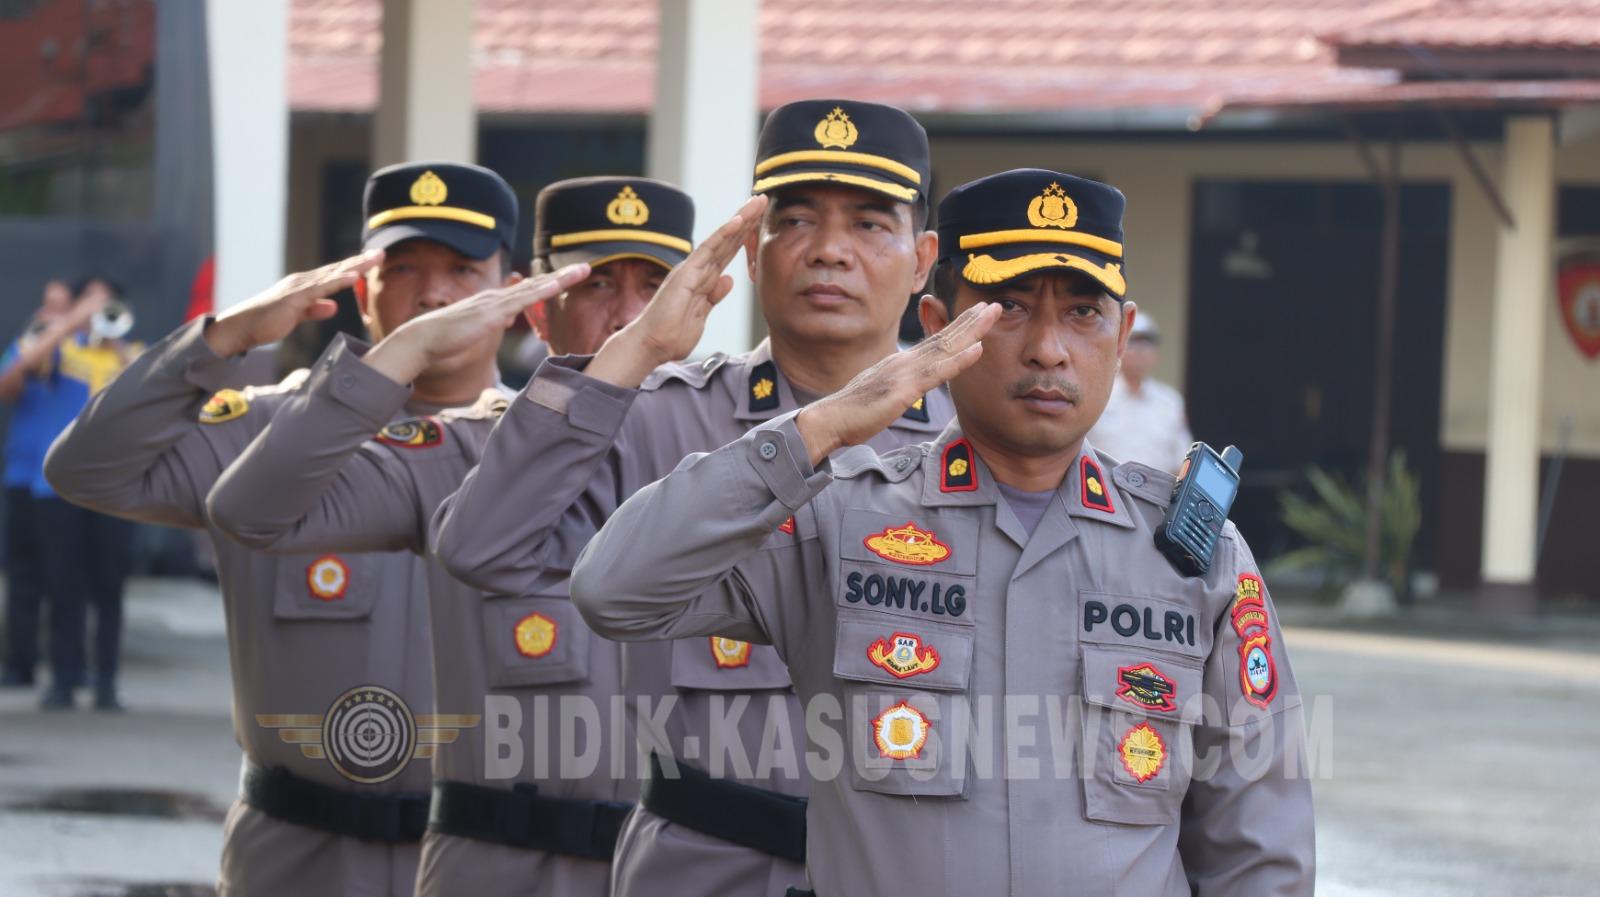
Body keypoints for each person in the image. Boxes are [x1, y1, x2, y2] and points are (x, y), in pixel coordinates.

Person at [568, 169, 1316, 897]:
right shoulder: (842, 515)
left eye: (1083, 312)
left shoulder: (1195, 556)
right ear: (934, 326)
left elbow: (1259, 847)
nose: (1048, 348)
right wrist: (819, 426)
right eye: (1009, 307)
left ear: (1122, 335)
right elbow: (614, 590)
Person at [429, 100, 952, 897]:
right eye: (797, 220)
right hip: (700, 867)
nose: (829, 251)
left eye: (870, 224)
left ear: (922, 261)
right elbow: (479, 546)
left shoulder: (973, 441)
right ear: (753, 250)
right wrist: (635, 347)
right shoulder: (655, 414)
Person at [204, 179, 701, 897]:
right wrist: (381, 355)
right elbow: (243, 509)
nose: (631, 319)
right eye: (597, 286)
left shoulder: (740, 466)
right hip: (473, 864)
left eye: (657, 288)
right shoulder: (469, 447)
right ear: (537, 308)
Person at [45, 161, 520, 897]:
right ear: (361, 289)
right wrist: (221, 338)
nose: (434, 295)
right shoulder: (268, 430)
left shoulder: (548, 451)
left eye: (463, 269)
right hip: (296, 858)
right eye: (403, 268)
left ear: (513, 295)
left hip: (486, 861)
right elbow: (87, 470)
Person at [2, 277, 138, 709]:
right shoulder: (61, 350)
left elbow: (150, 387)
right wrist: (69, 322)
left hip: (114, 487)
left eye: (106, 302)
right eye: (91, 301)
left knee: (110, 589)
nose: (98, 309)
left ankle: (106, 683)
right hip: (57, 487)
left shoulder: (132, 353)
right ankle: (63, 679)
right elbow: (16, 374)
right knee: (64, 585)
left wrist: (115, 341)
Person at [1087, 312, 1192, 473]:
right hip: (1101, 486)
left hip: (1156, 488)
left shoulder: (1170, 401)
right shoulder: (1098, 394)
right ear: (1119, 347)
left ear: (1156, 354)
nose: (1140, 351)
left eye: (1147, 344)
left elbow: (1182, 459)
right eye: (1133, 342)